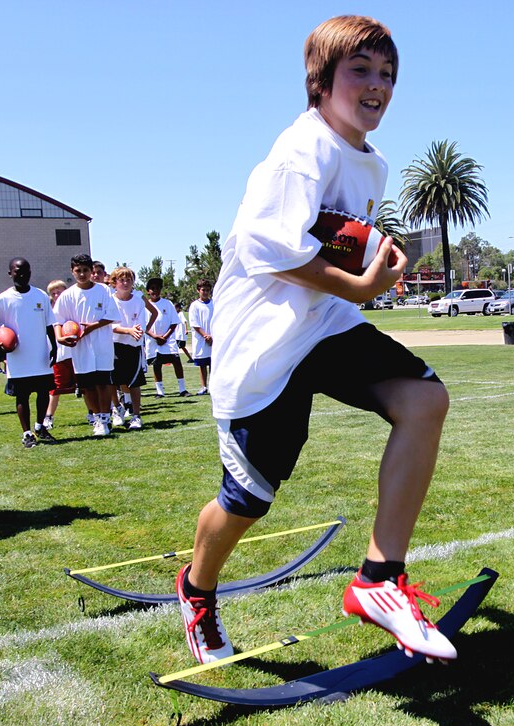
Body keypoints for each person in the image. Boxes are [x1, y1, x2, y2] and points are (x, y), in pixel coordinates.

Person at [175, 16, 454, 664]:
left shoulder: (373, 164)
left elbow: (333, 241)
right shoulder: (303, 150)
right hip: (264, 347)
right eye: (360, 70)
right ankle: (196, 585)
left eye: (388, 74)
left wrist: (372, 266)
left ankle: (379, 580)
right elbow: (265, 248)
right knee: (247, 500)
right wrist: (360, 286)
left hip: (324, 326)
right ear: (321, 81)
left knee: (424, 400)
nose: (378, 84)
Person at [0, 258, 58, 448]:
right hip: (18, 357)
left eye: (25, 271)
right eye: (17, 271)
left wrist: (55, 346)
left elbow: (49, 325)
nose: (22, 274)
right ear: (10, 273)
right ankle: (27, 433)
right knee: (23, 396)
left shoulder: (40, 295)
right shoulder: (3, 299)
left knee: (43, 392)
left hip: (40, 355)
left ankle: (40, 427)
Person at [54, 254, 120, 437]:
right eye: (78, 271)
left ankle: (106, 417)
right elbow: (58, 320)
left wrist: (93, 326)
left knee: (103, 383)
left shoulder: (104, 291)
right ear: (72, 271)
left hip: (101, 345)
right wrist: (60, 338)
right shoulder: (67, 295)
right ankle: (97, 418)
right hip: (80, 348)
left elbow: (112, 315)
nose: (82, 274)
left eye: (85, 270)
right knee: (87, 386)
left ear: (92, 271)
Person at [109, 266, 155, 429]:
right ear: (114, 283)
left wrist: (137, 331)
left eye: (129, 279)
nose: (126, 283)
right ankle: (117, 409)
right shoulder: (110, 300)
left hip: (133, 346)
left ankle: (136, 416)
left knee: (134, 383)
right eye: (122, 280)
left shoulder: (138, 300)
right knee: (113, 382)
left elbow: (140, 323)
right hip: (113, 345)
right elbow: (110, 325)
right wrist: (127, 330)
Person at [146, 278, 189, 397]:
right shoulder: (145, 306)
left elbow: (174, 321)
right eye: (152, 288)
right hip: (153, 341)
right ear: (148, 291)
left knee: (176, 361)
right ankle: (160, 391)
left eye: (157, 288)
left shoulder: (167, 303)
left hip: (168, 340)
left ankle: (182, 389)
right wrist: (155, 337)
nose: (155, 291)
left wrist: (165, 337)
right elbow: (143, 326)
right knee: (157, 365)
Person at [44, 279, 76, 430]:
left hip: (75, 352)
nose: (57, 295)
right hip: (59, 354)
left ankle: (92, 413)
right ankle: (48, 417)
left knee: (84, 385)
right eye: (53, 292)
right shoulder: (48, 312)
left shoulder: (73, 308)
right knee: (55, 387)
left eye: (60, 291)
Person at [188, 279, 214, 395]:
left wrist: (212, 337)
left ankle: (213, 385)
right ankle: (203, 386)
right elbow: (194, 324)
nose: (205, 292)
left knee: (213, 363)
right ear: (198, 290)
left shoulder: (214, 304)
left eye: (208, 290)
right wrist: (205, 336)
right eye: (203, 290)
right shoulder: (194, 306)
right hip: (201, 339)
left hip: (214, 339)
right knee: (202, 364)